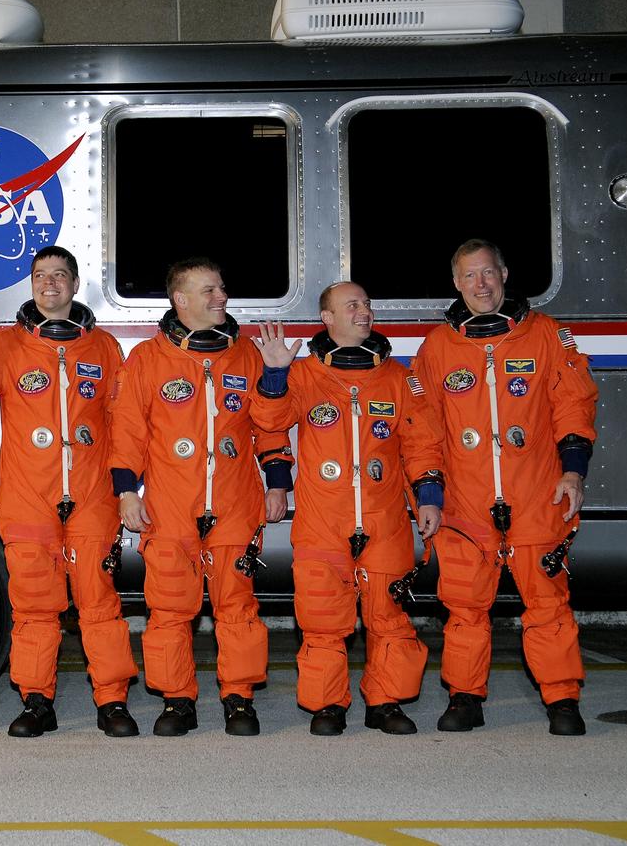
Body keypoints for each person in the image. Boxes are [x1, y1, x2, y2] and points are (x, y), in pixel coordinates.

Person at [0, 246, 140, 738]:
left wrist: (126, 489)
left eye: (59, 275)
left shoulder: (103, 349)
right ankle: (36, 700)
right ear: (31, 286)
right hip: (29, 496)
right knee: (33, 604)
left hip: (92, 496)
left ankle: (112, 700)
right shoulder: (8, 347)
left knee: (99, 602)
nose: (49, 283)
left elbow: (126, 425)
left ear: (75, 286)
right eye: (39, 276)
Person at [412, 239, 598, 736]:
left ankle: (562, 700)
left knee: (548, 604)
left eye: (489, 273)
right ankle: (465, 697)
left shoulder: (548, 337)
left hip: (537, 493)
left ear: (505, 274)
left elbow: (574, 406)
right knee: (465, 606)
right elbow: (423, 430)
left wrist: (573, 470)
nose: (481, 284)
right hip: (466, 502)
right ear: (456, 284)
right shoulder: (437, 348)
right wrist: (429, 496)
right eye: (470, 276)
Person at [109, 258, 292, 736]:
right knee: (169, 610)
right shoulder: (147, 359)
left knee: (238, 608)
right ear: (180, 300)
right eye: (209, 290)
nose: (221, 298)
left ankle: (239, 698)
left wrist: (277, 482)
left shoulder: (247, 355)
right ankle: (177, 701)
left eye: (222, 289)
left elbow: (268, 428)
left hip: (233, 505)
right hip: (170, 509)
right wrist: (127, 492)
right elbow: (127, 434)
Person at [255, 282, 444, 736]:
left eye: (367, 304)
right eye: (352, 305)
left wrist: (429, 498)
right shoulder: (304, 375)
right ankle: (326, 705)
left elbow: (422, 445)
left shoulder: (398, 378)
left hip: (385, 521)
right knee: (322, 619)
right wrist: (276, 374)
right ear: (327, 318)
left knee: (389, 617)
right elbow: (269, 422)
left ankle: (386, 702)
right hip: (324, 521)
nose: (364, 311)